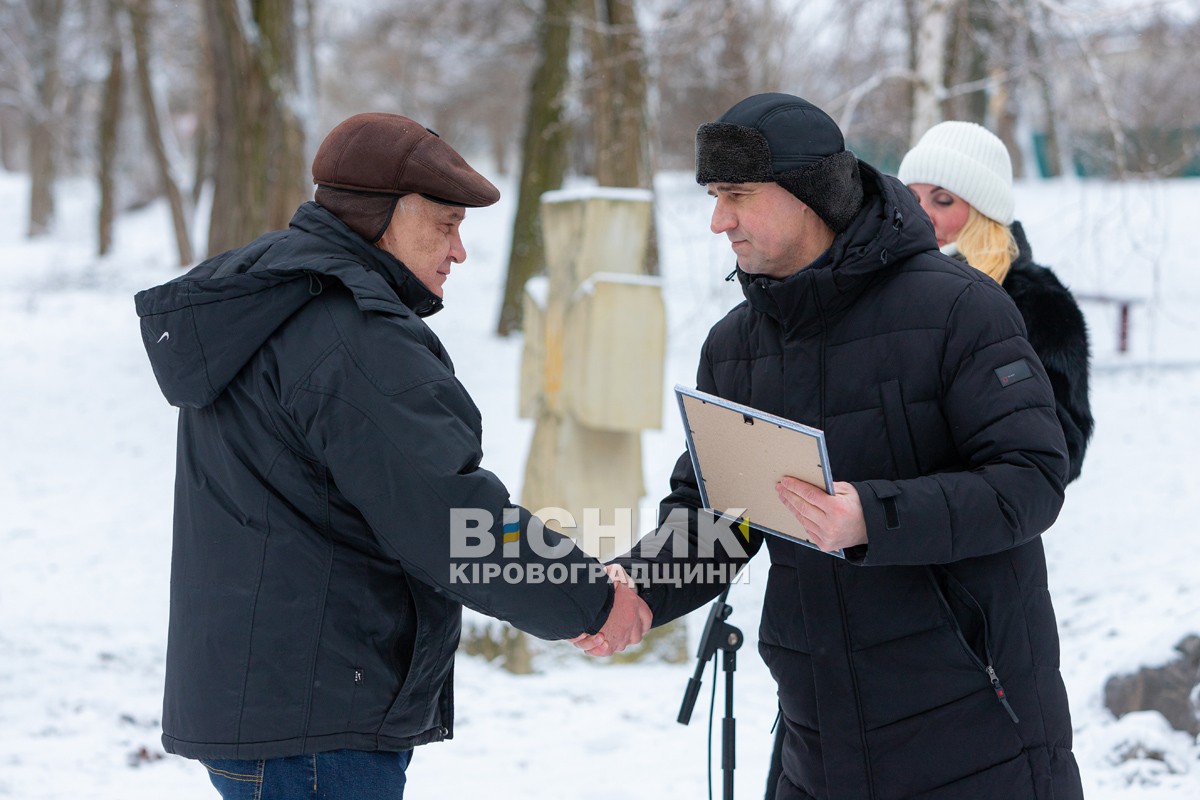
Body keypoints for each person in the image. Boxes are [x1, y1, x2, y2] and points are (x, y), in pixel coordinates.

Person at [578, 93, 1084, 799]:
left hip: (977, 727)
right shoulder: (736, 347)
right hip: (819, 740)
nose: (719, 220)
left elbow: (1030, 480)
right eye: (715, 197)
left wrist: (872, 517)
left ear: (811, 194)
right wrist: (639, 588)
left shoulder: (961, 309)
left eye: (738, 196)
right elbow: (720, 512)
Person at [134, 112, 650, 798]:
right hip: (316, 725)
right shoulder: (350, 335)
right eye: (445, 226)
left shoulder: (272, 302)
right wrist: (588, 600)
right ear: (382, 215)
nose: (459, 251)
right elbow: (452, 517)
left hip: (273, 705)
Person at [898, 120, 1093, 483]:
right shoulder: (886, 287)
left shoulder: (1034, 301)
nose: (921, 213)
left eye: (943, 200)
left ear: (984, 213)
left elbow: (1063, 447)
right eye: (912, 199)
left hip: (977, 524)